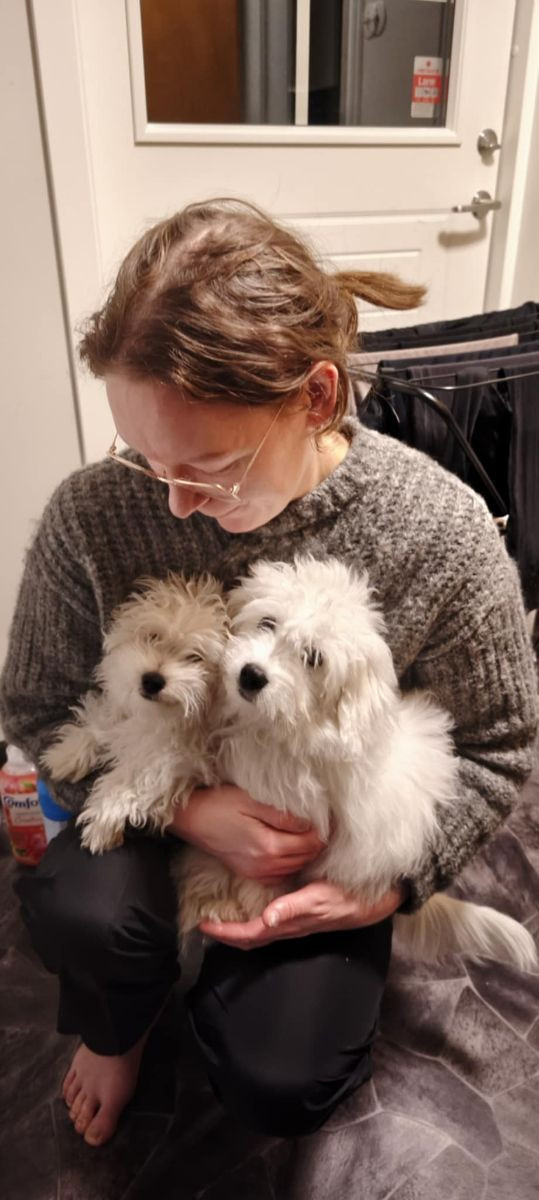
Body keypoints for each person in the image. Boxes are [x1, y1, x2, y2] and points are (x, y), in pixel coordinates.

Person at [1, 198, 537, 1149]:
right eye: (144, 458)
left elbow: (500, 743)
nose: (175, 503)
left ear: (316, 399)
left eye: (208, 466)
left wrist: (389, 886)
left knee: (282, 1078)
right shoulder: (93, 512)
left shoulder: (440, 533)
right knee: (85, 916)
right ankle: (119, 1024)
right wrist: (189, 810)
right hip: (143, 786)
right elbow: (37, 704)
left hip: (312, 842)